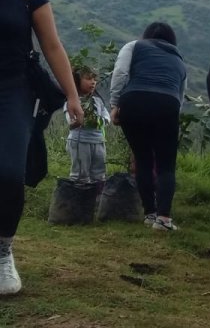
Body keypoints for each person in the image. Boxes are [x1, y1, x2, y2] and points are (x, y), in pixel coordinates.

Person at [0, 0, 84, 296]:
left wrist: (72, 95)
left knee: (8, 171)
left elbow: (51, 45)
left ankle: (3, 251)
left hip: (13, 90)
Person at [109, 22, 188, 231]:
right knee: (165, 165)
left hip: (134, 101)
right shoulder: (178, 58)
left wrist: (115, 104)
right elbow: (180, 94)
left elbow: (121, 74)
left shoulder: (134, 46)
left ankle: (149, 214)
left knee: (142, 158)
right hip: (167, 105)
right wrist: (170, 117)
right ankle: (163, 219)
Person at [66, 66, 111, 184]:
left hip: (98, 141)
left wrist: (97, 121)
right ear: (77, 81)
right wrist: (79, 121)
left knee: (99, 171)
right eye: (88, 79)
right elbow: (70, 123)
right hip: (80, 141)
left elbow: (107, 118)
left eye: (94, 79)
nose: (93, 82)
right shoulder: (72, 101)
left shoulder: (98, 101)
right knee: (81, 172)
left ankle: (96, 196)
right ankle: (78, 196)